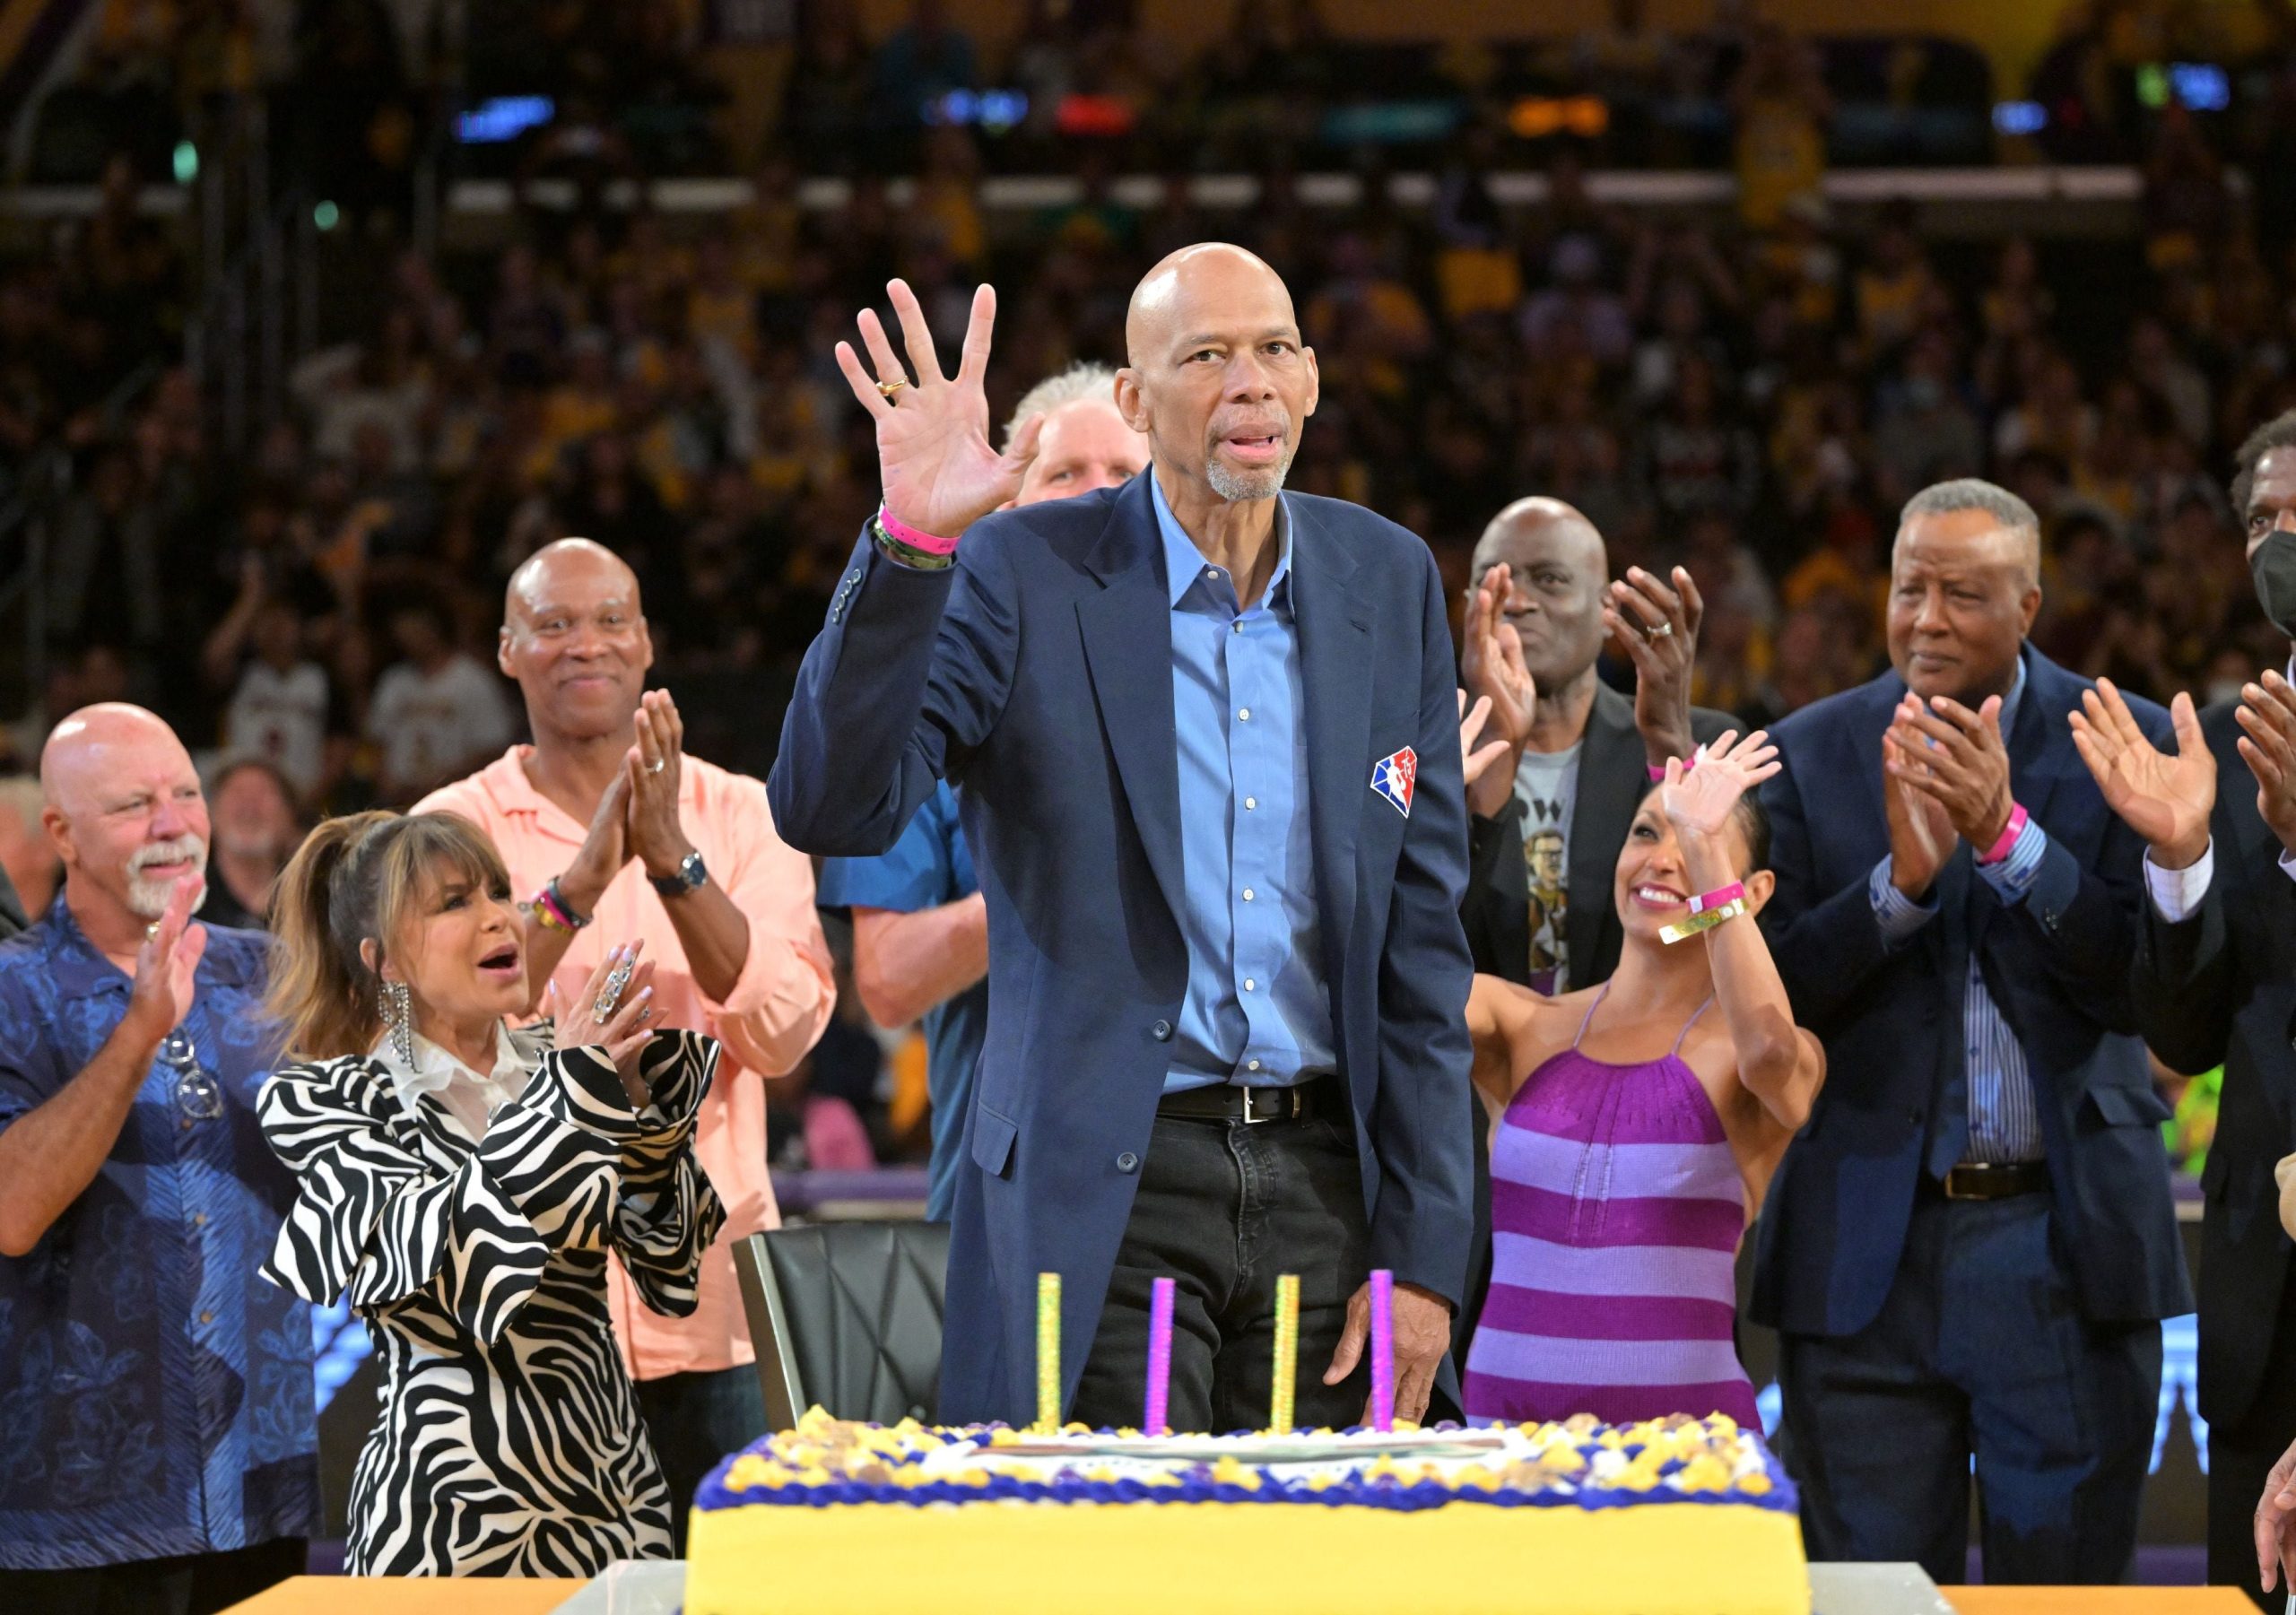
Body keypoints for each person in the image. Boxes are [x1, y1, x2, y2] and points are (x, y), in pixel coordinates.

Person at [770, 247, 1475, 1431]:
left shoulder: (1387, 577)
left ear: (1310, 384)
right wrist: (907, 546)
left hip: (1329, 1197)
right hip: (1109, 1187)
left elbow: (1421, 958)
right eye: (1207, 356)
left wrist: (1430, 1255)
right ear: (1139, 410)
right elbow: (833, 806)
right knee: (1108, 1573)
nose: (1249, 381)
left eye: (1275, 349)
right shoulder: (1018, 569)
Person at [1753, 478, 2187, 1585]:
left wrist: (2006, 839)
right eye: (1910, 589)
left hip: (2063, 1247)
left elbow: (2146, 990)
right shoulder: (1808, 752)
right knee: (1869, 1599)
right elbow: (1777, 994)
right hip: (1865, 1264)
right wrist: (1897, 888)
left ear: (2030, 604)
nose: (1928, 618)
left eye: (1964, 594)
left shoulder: (2120, 741)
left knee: (2068, 1596)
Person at [415, 537, 833, 1545]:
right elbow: (432, 1042)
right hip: (524, 1319)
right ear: (508, 650)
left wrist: (676, 867)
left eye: (609, 620)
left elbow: (784, 1033)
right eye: (552, 625)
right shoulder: (448, 828)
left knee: (733, 1597)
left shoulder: (740, 815)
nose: (583, 644)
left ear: (646, 643)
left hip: (718, 1310)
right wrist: (579, 887)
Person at [257, 810, 721, 1575]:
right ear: (387, 964)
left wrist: (638, 1122)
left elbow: (672, 1272)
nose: (499, 916)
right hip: (447, 1521)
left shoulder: (559, 1062)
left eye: (498, 891)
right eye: (454, 902)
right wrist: (571, 1102)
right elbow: (458, 1272)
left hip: (614, 1507)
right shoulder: (334, 1100)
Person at [0, 705, 317, 1613]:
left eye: (186, 793)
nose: (175, 823)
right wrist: (139, 1032)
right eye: (136, 804)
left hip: (263, 1489)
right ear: (60, 831)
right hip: (73, 1516)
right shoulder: (14, 989)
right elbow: (13, 1210)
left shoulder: (271, 974)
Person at [818, 360, 1150, 1221]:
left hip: (1198, 1202)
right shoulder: (939, 700)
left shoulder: (1235, 684)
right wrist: (1048, 880)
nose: (1095, 495)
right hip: (1008, 1209)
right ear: (1007, 507)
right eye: (1064, 473)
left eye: (1123, 473)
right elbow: (886, 981)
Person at [1464, 729, 1822, 1426]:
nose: (1663, 857)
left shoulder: (1752, 1055)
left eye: (1691, 842)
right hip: (1501, 1450)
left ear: (1751, 890)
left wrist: (1708, 861)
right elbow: (1393, 990)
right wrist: (1425, 822)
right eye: (1646, 831)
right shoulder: (1520, 1022)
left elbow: (1775, 1056)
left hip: (1684, 1462)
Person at [2092, 410, 2296, 1608]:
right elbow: (2183, 1035)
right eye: (2264, 520)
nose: (2280, 541)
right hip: (2264, 1293)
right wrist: (2179, 867)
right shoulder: (2217, 749)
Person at [368, 600, 517, 805]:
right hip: (399, 798)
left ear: (434, 627)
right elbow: (376, 741)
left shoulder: (472, 679)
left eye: (415, 628)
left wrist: (442, 779)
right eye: (402, 631)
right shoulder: (394, 680)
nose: (408, 638)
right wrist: (386, 781)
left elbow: (492, 746)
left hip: (457, 799)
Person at [198, 758, 303, 931]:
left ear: (290, 817)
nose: (250, 805)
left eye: (264, 792)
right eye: (237, 792)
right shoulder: (186, 903)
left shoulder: (312, 903)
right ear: (211, 815)